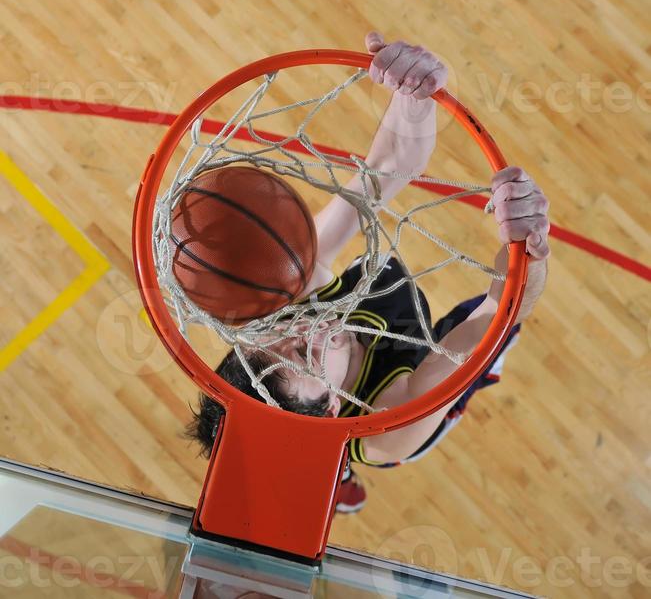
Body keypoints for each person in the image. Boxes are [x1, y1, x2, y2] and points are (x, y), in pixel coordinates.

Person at [186, 33, 551, 514]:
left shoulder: (286, 301)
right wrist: (528, 244)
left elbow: (384, 167)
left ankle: (321, 469)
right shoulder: (391, 425)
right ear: (333, 406)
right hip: (411, 378)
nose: (303, 325)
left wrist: (413, 98)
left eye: (272, 334)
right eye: (302, 353)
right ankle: (335, 478)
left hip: (370, 340)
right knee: (487, 342)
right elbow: (501, 312)